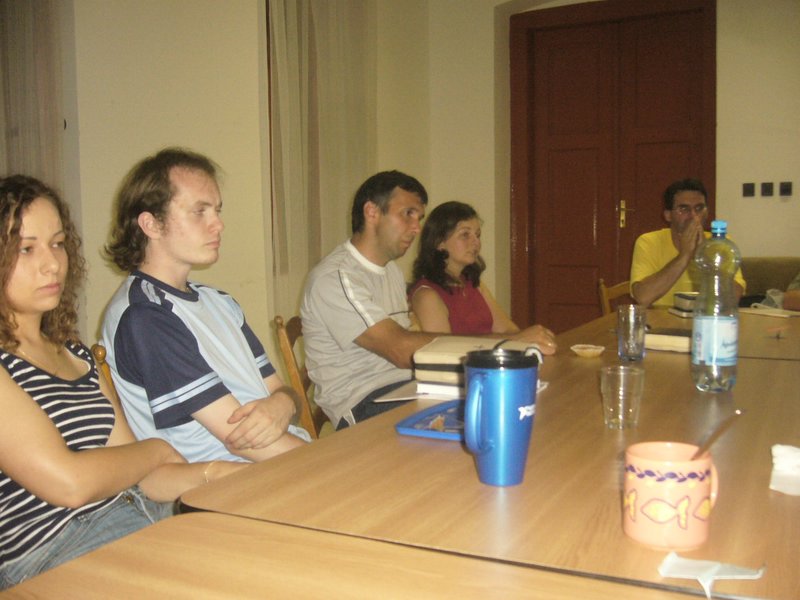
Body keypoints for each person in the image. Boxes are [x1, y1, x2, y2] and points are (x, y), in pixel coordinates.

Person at [0, 175, 244, 588]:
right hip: (56, 553)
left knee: (267, 546)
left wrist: (216, 473)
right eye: (26, 249)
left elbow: (145, 475)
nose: (52, 263)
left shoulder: (75, 354)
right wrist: (156, 450)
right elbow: (70, 483)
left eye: (57, 244)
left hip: (139, 515)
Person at [301, 171, 556, 431]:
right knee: (496, 416)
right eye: (408, 214)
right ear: (372, 212)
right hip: (364, 403)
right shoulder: (336, 278)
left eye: (419, 218)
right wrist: (509, 343)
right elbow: (401, 350)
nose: (417, 228)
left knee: (515, 400)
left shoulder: (390, 270)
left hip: (409, 386)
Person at [101, 148, 308, 464]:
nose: (218, 224)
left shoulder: (220, 302)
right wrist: (327, 461)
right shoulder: (145, 317)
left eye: (217, 211)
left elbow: (282, 392)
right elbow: (242, 441)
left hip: (283, 461)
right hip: (234, 480)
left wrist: (283, 404)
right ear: (151, 224)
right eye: (200, 212)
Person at [409, 201, 550, 337]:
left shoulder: (474, 284)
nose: (476, 242)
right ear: (439, 242)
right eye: (465, 235)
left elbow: (507, 330)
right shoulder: (426, 294)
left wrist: (531, 338)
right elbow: (443, 349)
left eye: (477, 235)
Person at [630, 178, 746, 307]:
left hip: (705, 316)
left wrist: (705, 254)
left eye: (699, 208)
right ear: (668, 215)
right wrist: (684, 256)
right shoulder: (649, 241)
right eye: (684, 209)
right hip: (661, 318)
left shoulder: (721, 242)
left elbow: (733, 297)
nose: (693, 216)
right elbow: (643, 297)